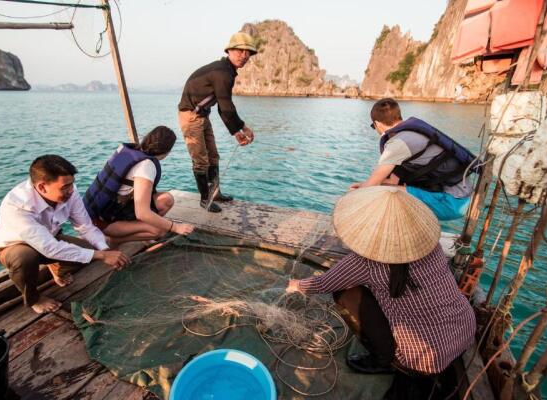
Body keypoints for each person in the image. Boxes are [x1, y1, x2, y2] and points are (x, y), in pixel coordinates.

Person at [287, 186, 476, 399]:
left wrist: (296, 285)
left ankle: (381, 359)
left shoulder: (364, 263)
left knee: (344, 294)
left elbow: (323, 284)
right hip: (465, 332)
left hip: (420, 361)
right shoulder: (431, 247)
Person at [0, 155, 131, 314]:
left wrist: (104, 250)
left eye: (72, 185)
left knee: (90, 249)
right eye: (65, 187)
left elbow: (85, 226)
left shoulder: (70, 191)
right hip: (16, 246)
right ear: (42, 187)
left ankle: (56, 267)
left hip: (51, 237)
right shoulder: (17, 205)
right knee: (24, 258)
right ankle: (34, 299)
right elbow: (49, 248)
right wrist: (101, 256)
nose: (71, 191)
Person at [350, 98, 476, 221]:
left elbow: (374, 183)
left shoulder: (398, 143)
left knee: (385, 193)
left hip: (451, 203)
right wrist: (364, 186)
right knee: (383, 189)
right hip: (462, 199)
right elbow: (393, 182)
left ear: (377, 124)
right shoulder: (410, 133)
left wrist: (355, 194)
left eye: (373, 126)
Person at [178, 31, 257, 213]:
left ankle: (215, 193)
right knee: (201, 160)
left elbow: (224, 106)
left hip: (202, 115)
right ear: (229, 50)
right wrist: (239, 131)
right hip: (190, 116)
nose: (244, 56)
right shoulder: (222, 72)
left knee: (213, 156)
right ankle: (205, 200)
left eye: (248, 53)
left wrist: (241, 128)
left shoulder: (226, 70)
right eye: (240, 51)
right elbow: (225, 105)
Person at [83, 126, 194, 245]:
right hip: (103, 223)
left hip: (103, 212)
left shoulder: (132, 151)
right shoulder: (146, 166)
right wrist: (175, 227)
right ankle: (112, 240)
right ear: (167, 150)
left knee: (166, 200)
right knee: (160, 229)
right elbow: (142, 213)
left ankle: (141, 233)